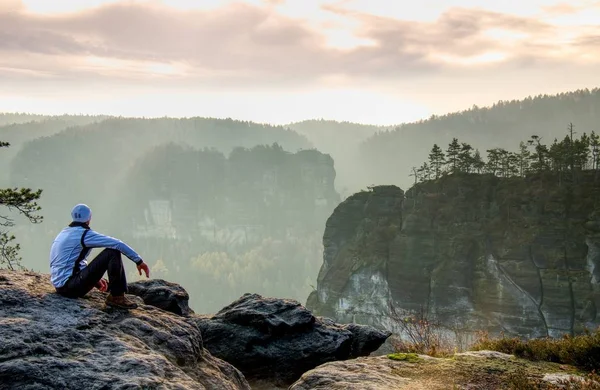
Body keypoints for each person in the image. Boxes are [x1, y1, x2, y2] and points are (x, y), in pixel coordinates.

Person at [50, 203, 150, 309]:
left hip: (60, 286)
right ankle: (117, 297)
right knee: (112, 252)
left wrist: (95, 280)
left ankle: (115, 295)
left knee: (111, 252)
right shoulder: (84, 234)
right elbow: (117, 244)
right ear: (89, 218)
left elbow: (70, 262)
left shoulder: (64, 232)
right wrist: (139, 261)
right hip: (70, 287)